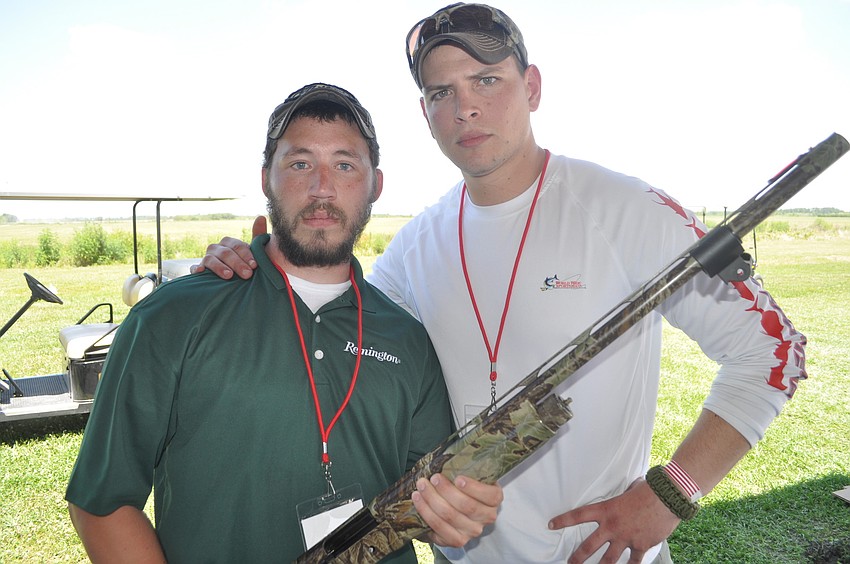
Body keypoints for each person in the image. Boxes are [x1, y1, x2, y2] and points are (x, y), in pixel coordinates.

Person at [195, 4, 807, 564]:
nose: (465, 109)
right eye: (442, 92)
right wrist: (248, 265)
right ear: (425, 112)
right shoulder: (416, 246)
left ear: (532, 86)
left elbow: (774, 348)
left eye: (486, 80)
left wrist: (673, 493)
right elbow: (330, 323)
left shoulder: (624, 210)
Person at [65, 82, 502, 564]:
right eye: (299, 164)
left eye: (344, 164)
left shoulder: (406, 337)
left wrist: (456, 511)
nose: (322, 188)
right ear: (265, 179)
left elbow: (426, 500)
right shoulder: (173, 316)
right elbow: (101, 503)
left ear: (375, 184)